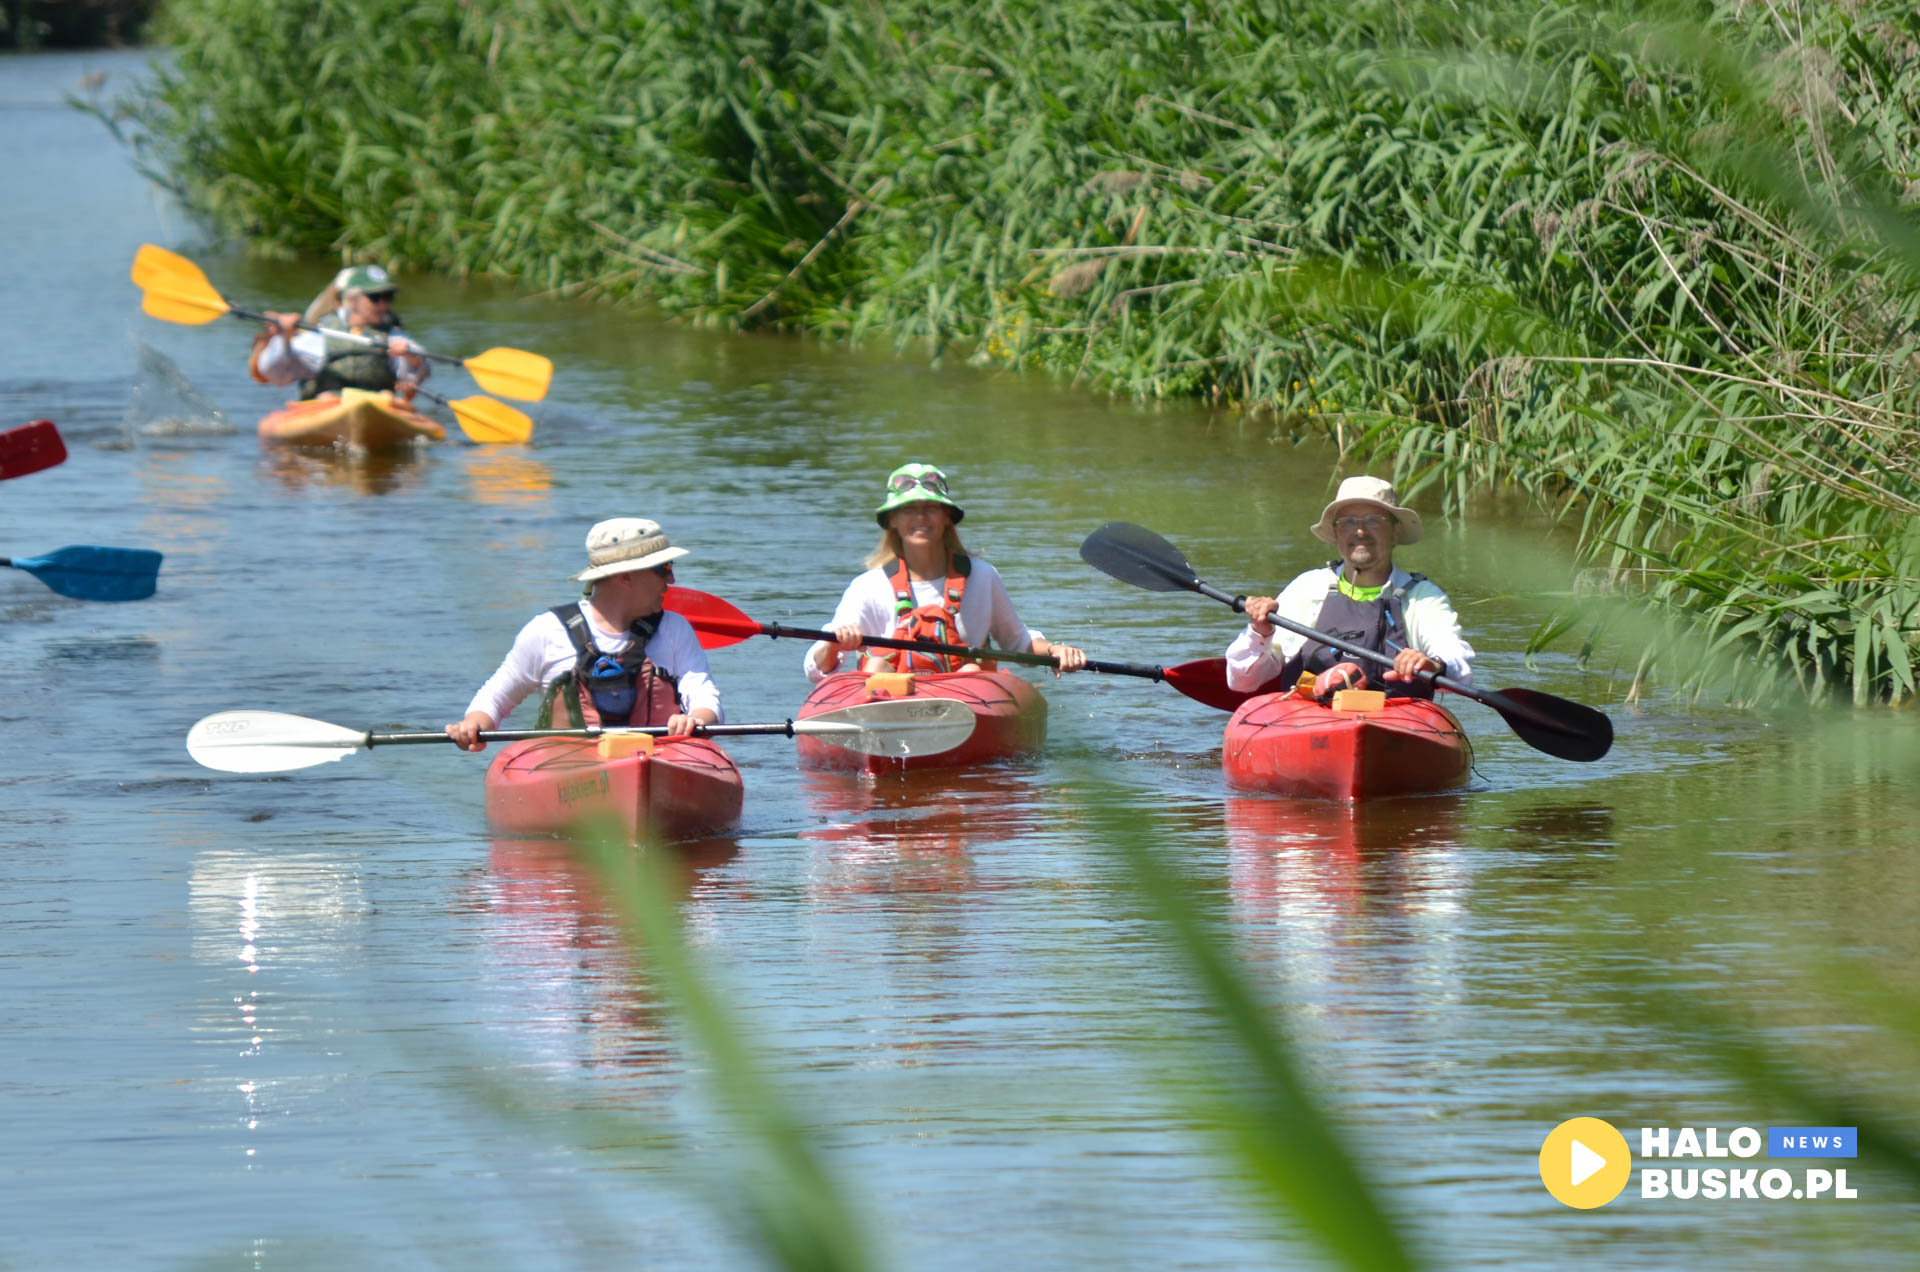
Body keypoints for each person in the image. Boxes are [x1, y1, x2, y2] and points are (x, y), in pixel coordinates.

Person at [447, 519, 722, 750]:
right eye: (664, 568)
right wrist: (475, 725)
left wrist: (697, 719)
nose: (671, 580)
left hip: (661, 757)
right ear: (625, 576)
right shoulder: (546, 631)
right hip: (566, 766)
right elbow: (496, 696)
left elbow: (703, 694)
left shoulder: (674, 629)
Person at [805, 462, 1088, 681]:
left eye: (931, 508)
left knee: (970, 673)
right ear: (892, 519)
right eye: (908, 509)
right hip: (886, 702)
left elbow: (1018, 642)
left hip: (965, 700)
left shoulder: (983, 576)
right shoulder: (867, 586)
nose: (920, 518)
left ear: (946, 518)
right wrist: (834, 644)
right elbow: (816, 667)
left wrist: (1055, 651)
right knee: (877, 666)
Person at [1226, 475, 1474, 700]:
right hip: (1307, 720)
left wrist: (1433, 664)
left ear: (1396, 531)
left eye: (1374, 521)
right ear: (1336, 531)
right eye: (1348, 521)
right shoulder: (1307, 588)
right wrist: (1259, 633)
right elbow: (1242, 682)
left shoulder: (1422, 596)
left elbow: (1458, 663)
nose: (1360, 530)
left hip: (1395, 721)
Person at [249, 263, 429, 400]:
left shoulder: (395, 336)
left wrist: (412, 358)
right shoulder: (319, 335)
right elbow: (273, 373)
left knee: (387, 396)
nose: (383, 304)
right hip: (325, 405)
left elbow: (419, 371)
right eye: (375, 297)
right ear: (352, 299)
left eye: (388, 297)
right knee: (326, 398)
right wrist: (284, 337)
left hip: (377, 405)